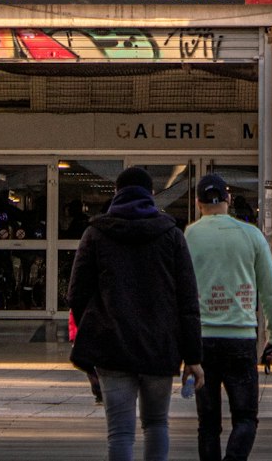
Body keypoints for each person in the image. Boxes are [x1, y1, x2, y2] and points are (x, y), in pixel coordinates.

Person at [68, 165, 203, 461]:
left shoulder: (95, 233)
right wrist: (193, 357)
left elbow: (76, 294)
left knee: (120, 432)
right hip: (159, 347)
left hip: (111, 346)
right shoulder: (171, 234)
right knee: (156, 424)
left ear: (116, 193)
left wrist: (94, 329)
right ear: (151, 195)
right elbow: (187, 301)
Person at [185, 172, 272, 461]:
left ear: (198, 202)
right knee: (245, 418)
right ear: (228, 200)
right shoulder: (251, 235)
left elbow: (180, 292)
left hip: (202, 341)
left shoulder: (189, 235)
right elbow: (271, 293)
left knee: (208, 424)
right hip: (240, 340)